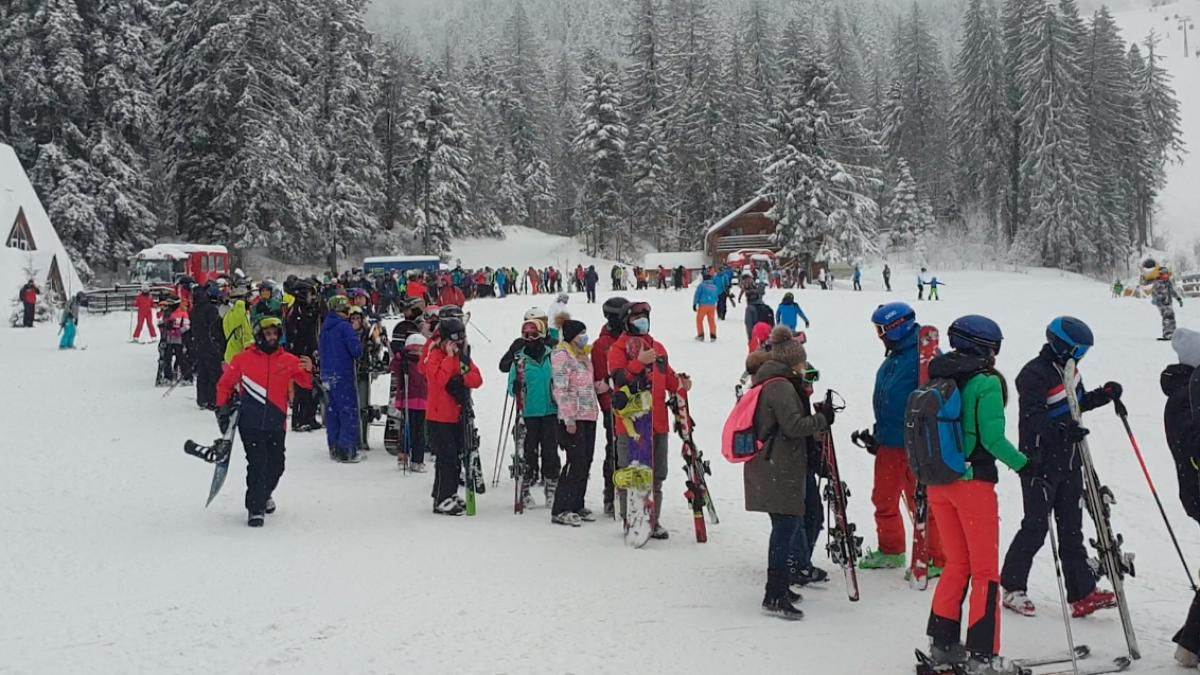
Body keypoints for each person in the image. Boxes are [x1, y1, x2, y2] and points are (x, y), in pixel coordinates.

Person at [924, 315, 1030, 675]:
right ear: (989, 347)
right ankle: (983, 656)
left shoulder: (940, 376)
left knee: (957, 565)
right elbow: (993, 439)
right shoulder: (985, 383)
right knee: (985, 571)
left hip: (940, 481)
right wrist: (1026, 466)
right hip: (973, 484)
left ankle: (942, 644)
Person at [1000, 317, 1122, 618]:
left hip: (1070, 461)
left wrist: (1103, 395)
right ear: (1060, 345)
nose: (1080, 358)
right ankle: (1012, 587)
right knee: (1036, 527)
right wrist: (1062, 431)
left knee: (1072, 529)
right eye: (1078, 351)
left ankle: (1081, 593)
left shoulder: (1070, 371)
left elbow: (1074, 404)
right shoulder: (1033, 373)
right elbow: (1033, 418)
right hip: (1039, 463)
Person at [743, 325, 833, 619]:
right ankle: (774, 592)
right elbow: (793, 427)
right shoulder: (779, 386)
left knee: (792, 525)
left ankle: (785, 582)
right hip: (778, 467)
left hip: (779, 465)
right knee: (784, 530)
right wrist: (822, 420)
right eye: (802, 361)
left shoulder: (777, 381)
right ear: (793, 360)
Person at [859, 302, 945, 573]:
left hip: (915, 444)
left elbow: (936, 400)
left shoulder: (926, 357)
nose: (879, 335)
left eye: (882, 329)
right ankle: (891, 549)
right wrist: (878, 434)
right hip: (889, 441)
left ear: (898, 327)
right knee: (882, 497)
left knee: (921, 501)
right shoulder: (894, 356)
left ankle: (934, 557)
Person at [215, 316, 314, 527]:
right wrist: (223, 409)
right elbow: (225, 385)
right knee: (257, 463)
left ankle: (264, 493)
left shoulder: (288, 359)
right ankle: (255, 508)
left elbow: (305, 383)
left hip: (276, 421)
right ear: (260, 335)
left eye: (275, 334)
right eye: (268, 334)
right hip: (250, 422)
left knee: (277, 465)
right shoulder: (243, 359)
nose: (271, 337)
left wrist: (309, 368)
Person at [608, 301, 691, 540]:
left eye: (644, 317)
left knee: (656, 475)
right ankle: (631, 519)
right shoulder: (618, 349)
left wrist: (680, 386)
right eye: (636, 318)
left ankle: (652, 520)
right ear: (626, 322)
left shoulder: (658, 348)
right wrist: (639, 362)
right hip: (631, 426)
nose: (641, 322)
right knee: (632, 474)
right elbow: (619, 381)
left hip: (657, 423)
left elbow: (668, 379)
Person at [1163, 329, 1200, 667]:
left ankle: (1190, 646)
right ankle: (1191, 647)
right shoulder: (1188, 395)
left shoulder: (1187, 391)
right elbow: (1191, 445)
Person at [423, 317, 483, 515]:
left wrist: (462, 379)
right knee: (446, 458)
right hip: (439, 416)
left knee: (456, 457)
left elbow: (477, 378)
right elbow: (438, 380)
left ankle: (448, 493)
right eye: (454, 339)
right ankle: (441, 497)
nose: (458, 343)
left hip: (457, 414)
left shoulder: (463, 356)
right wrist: (449, 359)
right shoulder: (435, 355)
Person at [550, 319, 600, 526]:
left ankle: (578, 502)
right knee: (575, 461)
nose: (584, 337)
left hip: (589, 414)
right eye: (581, 333)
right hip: (573, 418)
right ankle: (561, 507)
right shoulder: (562, 355)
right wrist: (568, 417)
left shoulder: (583, 356)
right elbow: (561, 388)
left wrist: (602, 386)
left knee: (586, 461)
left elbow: (586, 384)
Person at [508, 317, 561, 508]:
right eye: (526, 335)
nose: (530, 339)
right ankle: (525, 487)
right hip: (529, 412)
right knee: (528, 452)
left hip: (550, 411)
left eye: (534, 334)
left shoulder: (552, 355)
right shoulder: (520, 359)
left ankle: (551, 487)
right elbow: (511, 387)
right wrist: (515, 387)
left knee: (550, 451)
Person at [593, 298, 628, 517]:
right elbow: (599, 381)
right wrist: (609, 405)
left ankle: (631, 491)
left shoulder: (630, 338)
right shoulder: (602, 345)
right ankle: (611, 493)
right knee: (614, 450)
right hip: (613, 407)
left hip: (634, 405)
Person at [320, 295, 364, 462]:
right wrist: (356, 333)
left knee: (333, 412)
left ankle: (333, 446)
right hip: (343, 374)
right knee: (347, 411)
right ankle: (346, 450)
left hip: (327, 374)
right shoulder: (345, 327)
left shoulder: (325, 327)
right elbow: (356, 351)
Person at [284, 282, 322, 430]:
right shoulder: (297, 312)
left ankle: (309, 417)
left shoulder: (309, 310)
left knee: (311, 386)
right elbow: (297, 334)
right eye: (309, 294)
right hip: (299, 353)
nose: (311, 297)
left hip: (309, 351)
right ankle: (300, 419)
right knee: (302, 387)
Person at [392, 333, 429, 472]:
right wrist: (399, 356)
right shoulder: (404, 362)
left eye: (420, 349)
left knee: (420, 433)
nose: (417, 352)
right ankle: (403, 455)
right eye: (413, 350)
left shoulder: (426, 362)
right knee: (407, 430)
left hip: (423, 402)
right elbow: (393, 366)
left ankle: (417, 460)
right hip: (408, 401)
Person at [190, 283, 224, 410]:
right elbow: (215, 328)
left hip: (199, 343)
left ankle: (202, 399)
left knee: (202, 372)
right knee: (214, 372)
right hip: (210, 344)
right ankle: (212, 399)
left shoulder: (196, 308)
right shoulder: (210, 309)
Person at [1145, 259, 1184, 340]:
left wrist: (1178, 298)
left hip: (1168, 302)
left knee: (1171, 316)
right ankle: (1167, 333)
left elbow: (1172, 291)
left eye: (1167, 274)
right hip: (1161, 303)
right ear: (1160, 275)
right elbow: (1154, 292)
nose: (1166, 276)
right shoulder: (1157, 282)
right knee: (1167, 316)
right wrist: (1157, 299)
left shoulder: (1168, 283)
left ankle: (1172, 333)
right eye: (1164, 275)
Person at [222, 284, 254, 365]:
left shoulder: (228, 314)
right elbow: (247, 335)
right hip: (240, 356)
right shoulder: (242, 313)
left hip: (229, 354)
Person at [693, 272, 719, 341]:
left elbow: (697, 295)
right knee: (711, 320)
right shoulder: (714, 286)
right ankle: (713, 335)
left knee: (699, 320)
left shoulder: (701, 285)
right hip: (712, 306)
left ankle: (701, 335)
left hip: (703, 305)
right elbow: (716, 297)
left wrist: (695, 303)